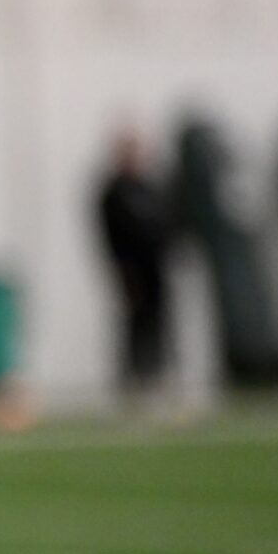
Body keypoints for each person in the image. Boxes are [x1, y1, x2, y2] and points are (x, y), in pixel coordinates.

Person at [94, 126, 172, 399]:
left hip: (155, 269)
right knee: (133, 325)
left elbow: (165, 225)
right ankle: (132, 380)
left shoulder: (150, 188)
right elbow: (109, 234)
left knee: (158, 322)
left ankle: (157, 375)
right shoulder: (113, 191)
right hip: (130, 269)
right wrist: (121, 268)